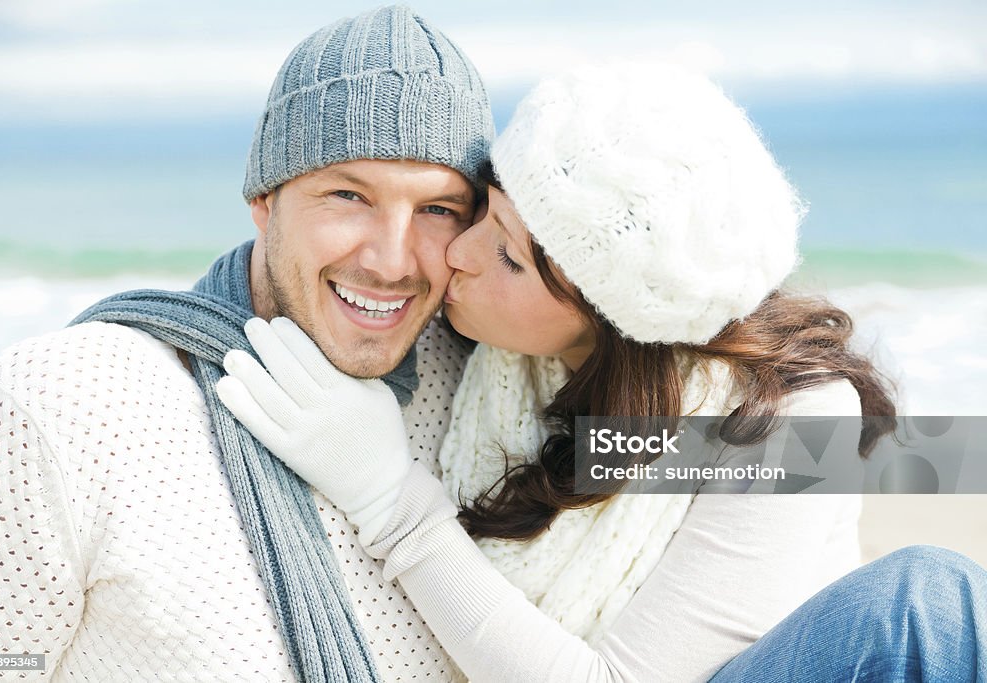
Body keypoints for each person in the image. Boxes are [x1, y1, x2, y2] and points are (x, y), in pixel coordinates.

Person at [218, 63, 987, 681]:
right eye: (481, 207)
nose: (457, 253)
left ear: (613, 322)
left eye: (510, 256)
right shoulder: (508, 364)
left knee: (928, 600)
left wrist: (392, 503)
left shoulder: (789, 422)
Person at [0, 6, 492, 681]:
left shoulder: (489, 380)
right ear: (264, 201)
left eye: (438, 209)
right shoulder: (57, 408)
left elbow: (661, 467)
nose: (392, 261)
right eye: (348, 196)